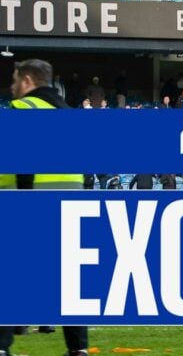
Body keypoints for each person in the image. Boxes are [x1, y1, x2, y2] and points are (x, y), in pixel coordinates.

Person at [0, 59, 89, 356]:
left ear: (27, 80)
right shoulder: (70, 115)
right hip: (70, 202)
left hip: (33, 199)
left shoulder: (22, 110)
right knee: (68, 280)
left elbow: (22, 162)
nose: (12, 87)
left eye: (15, 80)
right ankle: (78, 349)